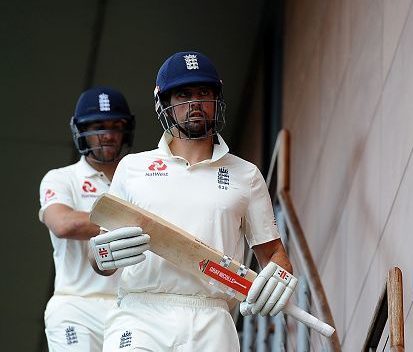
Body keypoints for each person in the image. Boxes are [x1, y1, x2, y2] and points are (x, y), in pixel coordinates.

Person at [89, 51, 296, 351]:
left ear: (216, 100)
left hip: (212, 317)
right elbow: (102, 257)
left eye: (204, 92)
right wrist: (98, 254)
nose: (195, 103)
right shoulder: (133, 168)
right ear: (165, 104)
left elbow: (274, 253)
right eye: (183, 94)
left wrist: (279, 279)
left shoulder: (246, 175)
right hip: (141, 312)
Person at [39, 87, 135, 351]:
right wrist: (135, 224)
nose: (107, 134)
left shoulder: (140, 179)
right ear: (80, 130)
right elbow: (63, 224)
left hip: (131, 306)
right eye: (98, 125)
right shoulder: (61, 177)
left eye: (116, 125)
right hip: (75, 303)